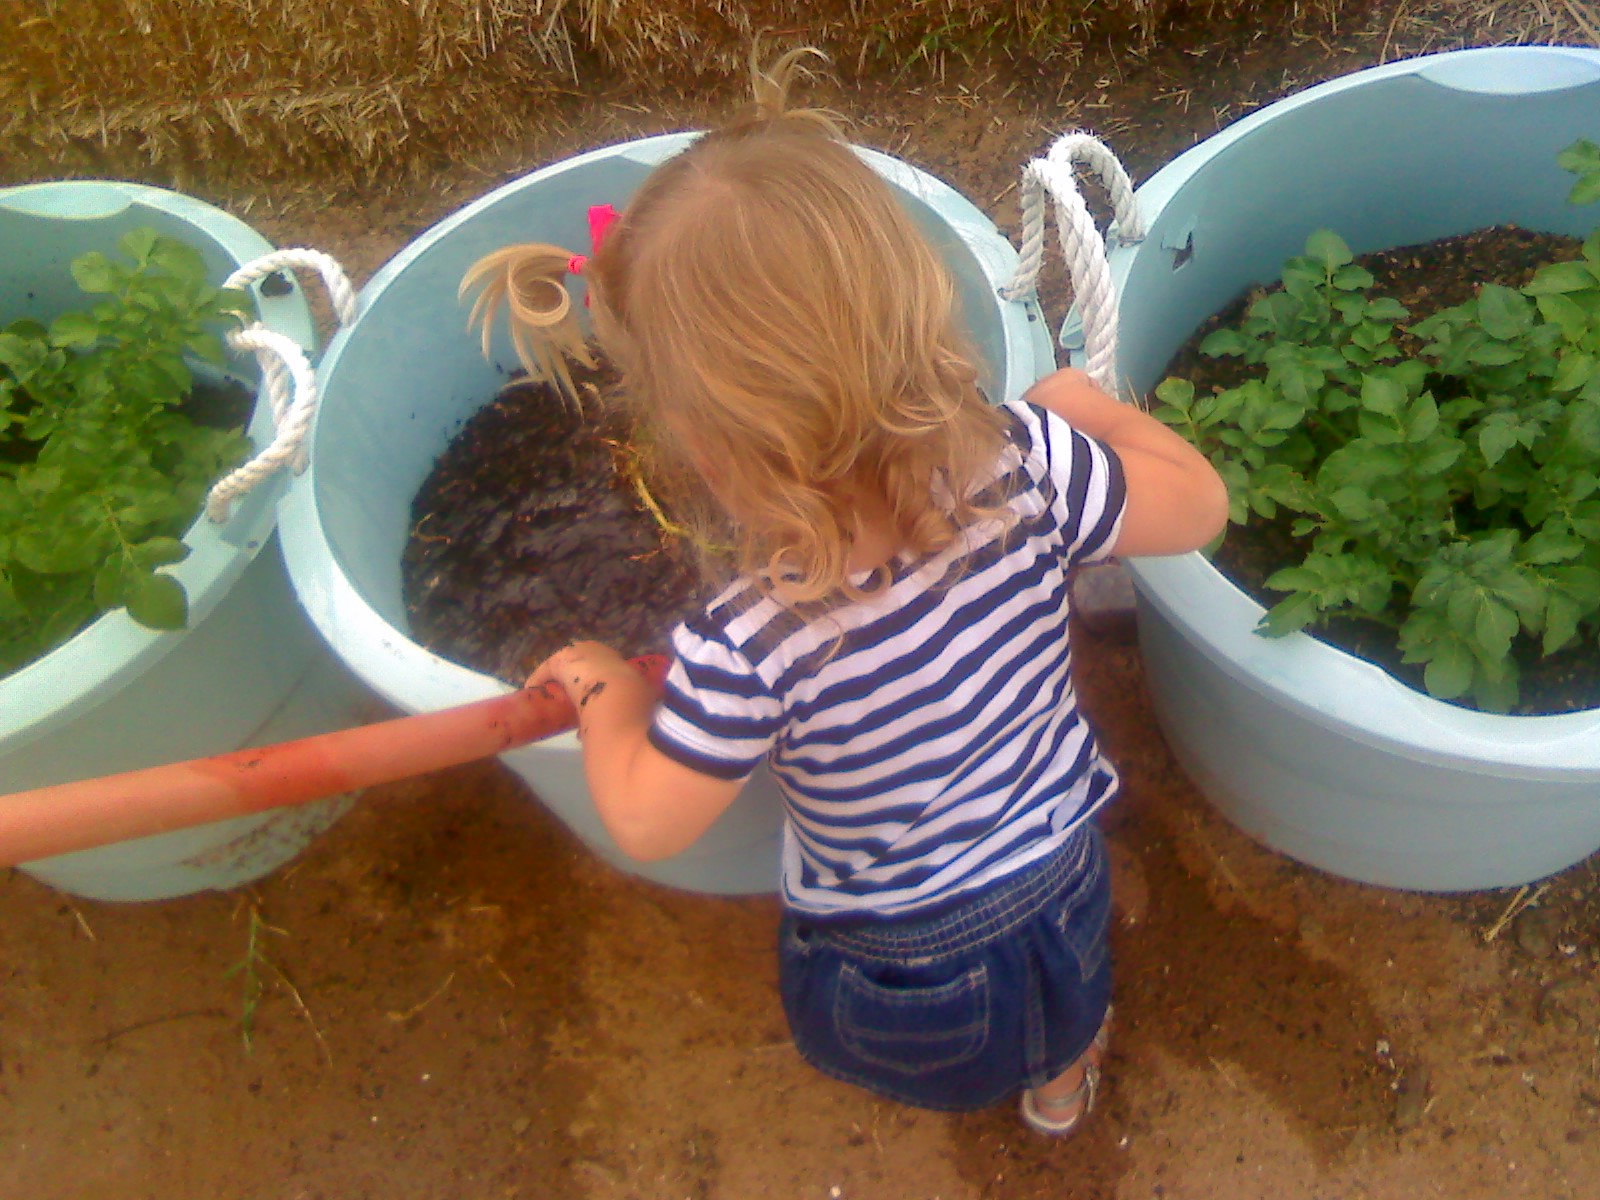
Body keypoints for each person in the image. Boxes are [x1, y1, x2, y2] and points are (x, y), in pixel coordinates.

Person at [465, 49, 1228, 1136]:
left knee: (948, 1053)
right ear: (923, 312)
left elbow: (645, 818)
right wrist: (1091, 411)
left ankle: (997, 1076)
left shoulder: (749, 643)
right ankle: (1060, 1088)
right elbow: (1198, 506)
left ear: (702, 449)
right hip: (1056, 870)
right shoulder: (1027, 466)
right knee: (1060, 1004)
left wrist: (603, 691)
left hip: (896, 962)